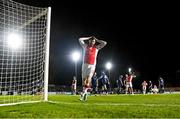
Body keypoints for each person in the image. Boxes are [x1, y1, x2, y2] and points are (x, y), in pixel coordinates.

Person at [79, 36, 107, 101]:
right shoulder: (85, 46)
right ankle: (85, 92)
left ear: (95, 42)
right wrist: (88, 37)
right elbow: (80, 39)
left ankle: (83, 94)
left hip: (92, 65)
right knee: (84, 81)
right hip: (85, 64)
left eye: (93, 41)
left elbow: (104, 43)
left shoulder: (96, 47)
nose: (92, 42)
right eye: (91, 41)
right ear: (89, 41)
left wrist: (97, 40)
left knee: (88, 79)